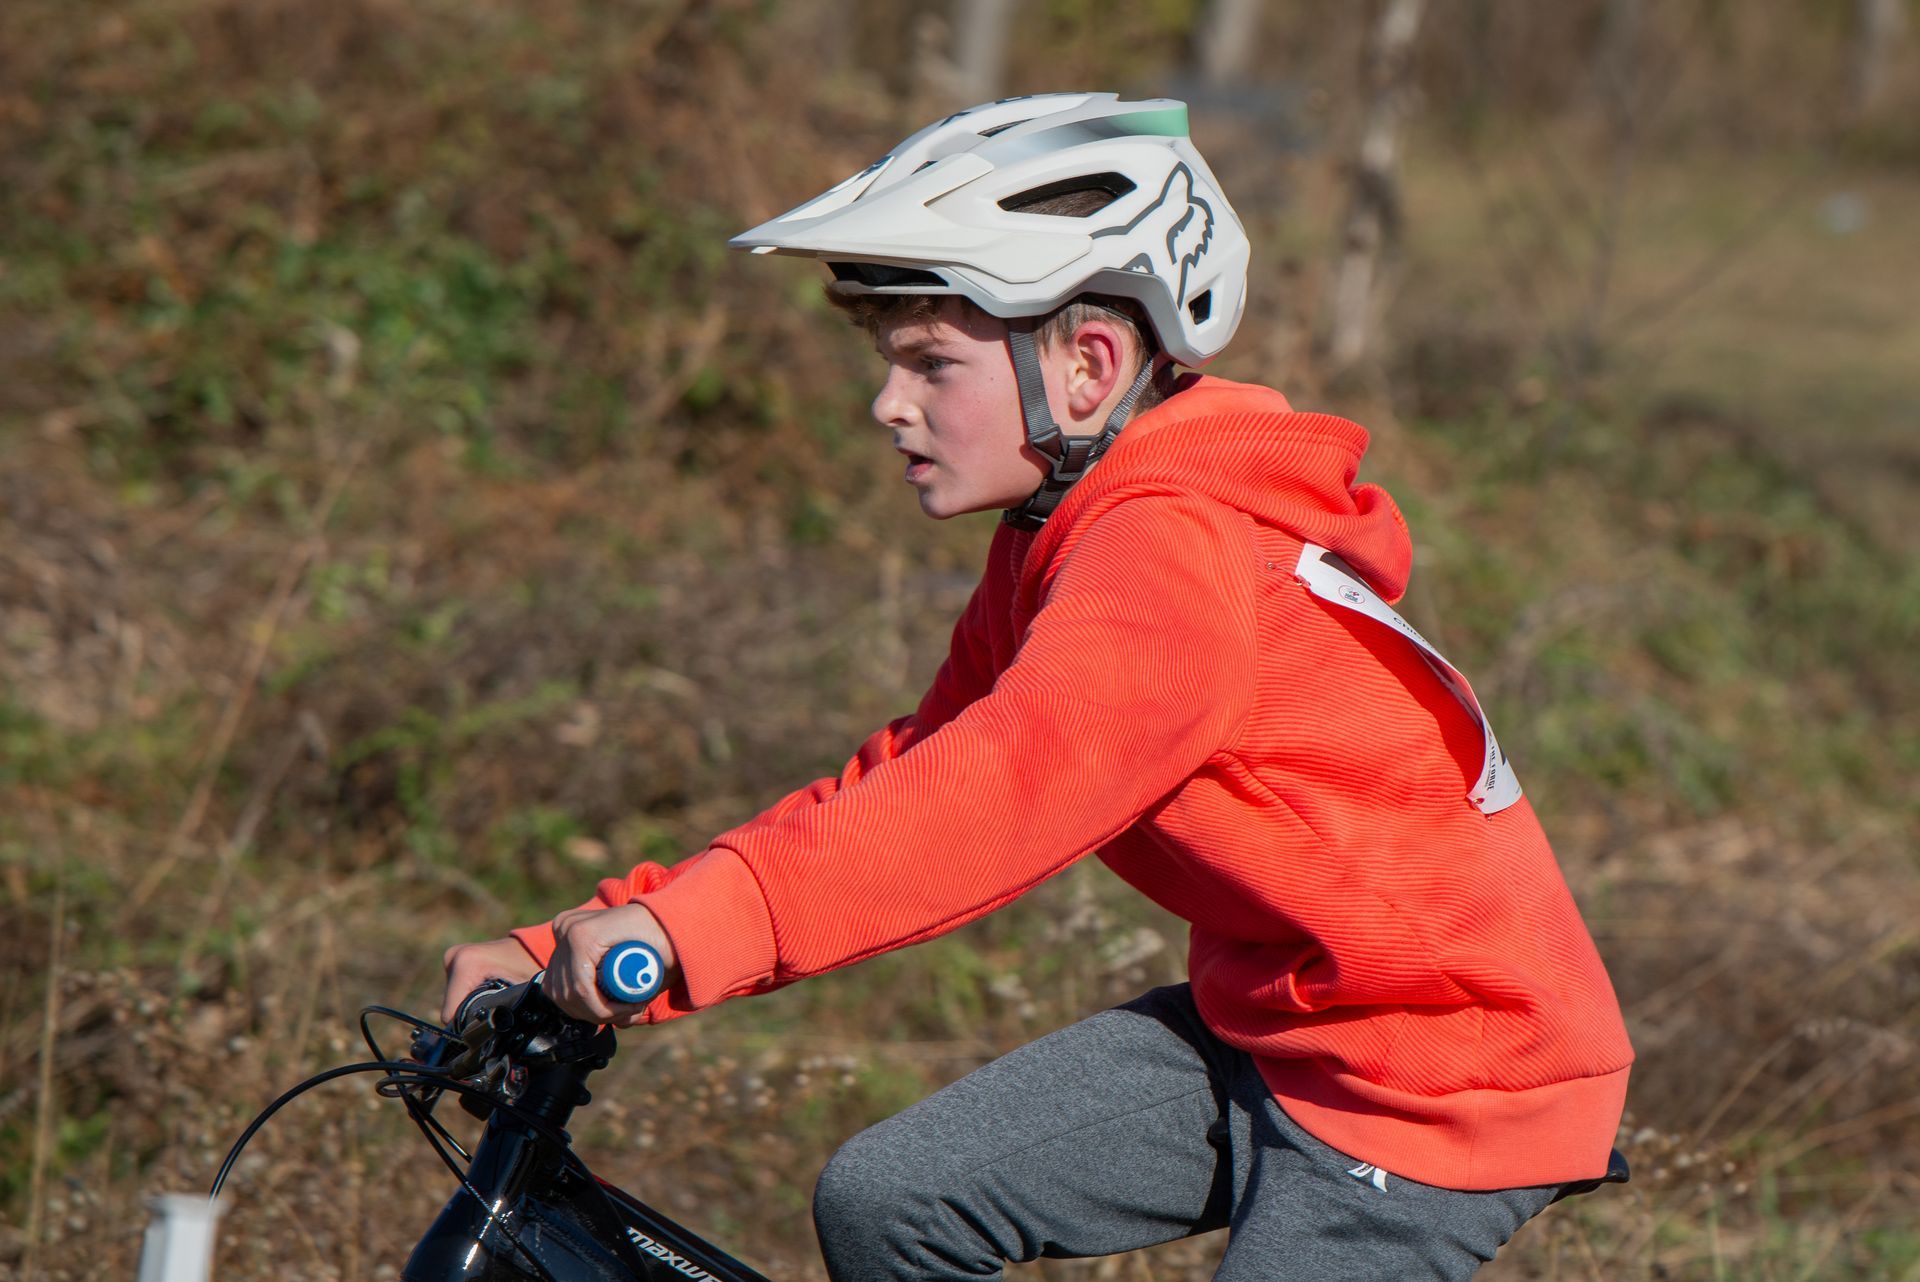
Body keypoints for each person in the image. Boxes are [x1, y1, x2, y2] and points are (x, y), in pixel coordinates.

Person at [442, 93, 1633, 1280]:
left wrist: (676, 941)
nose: (887, 402)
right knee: (892, 1201)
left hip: (1437, 1079)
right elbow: (920, 765)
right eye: (886, 362)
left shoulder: (1174, 549)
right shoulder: (1064, 531)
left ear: (1087, 368)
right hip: (1280, 1026)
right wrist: (577, 934)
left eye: (928, 363)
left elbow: (990, 799)